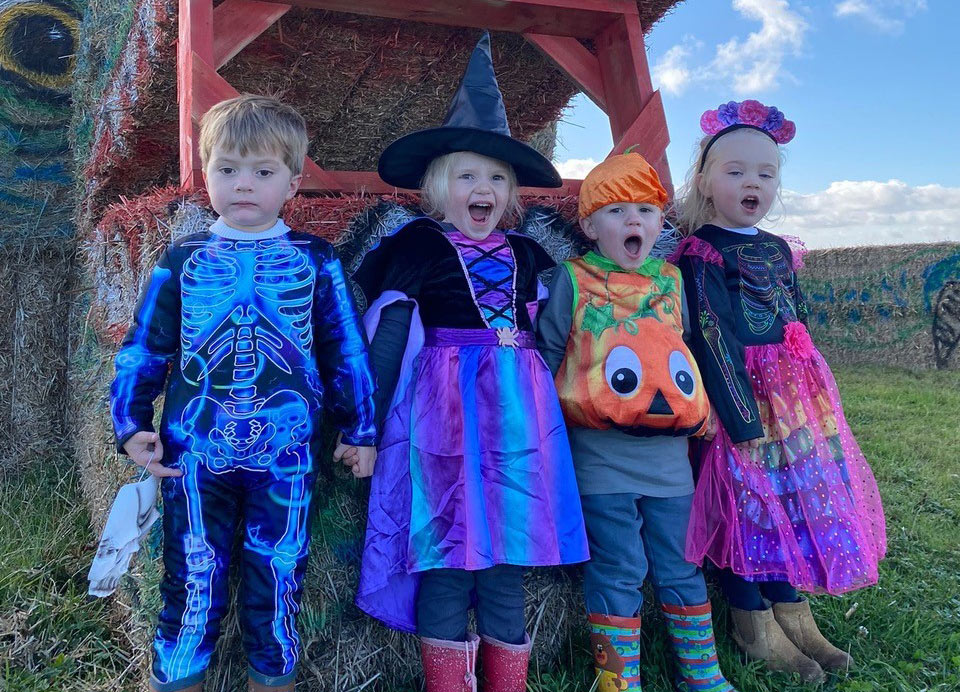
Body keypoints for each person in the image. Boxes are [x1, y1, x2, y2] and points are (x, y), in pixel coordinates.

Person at [110, 94, 377, 692]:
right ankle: (177, 677)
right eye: (227, 170)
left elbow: (346, 348)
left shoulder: (316, 259)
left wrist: (361, 428)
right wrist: (130, 422)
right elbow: (145, 346)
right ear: (206, 176)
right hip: (196, 451)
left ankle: (271, 678)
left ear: (293, 181)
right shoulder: (182, 259)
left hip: (287, 452)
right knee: (191, 575)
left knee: (280, 575)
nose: (244, 185)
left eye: (262, 172)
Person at [347, 33, 589, 692]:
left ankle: (508, 682)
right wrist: (363, 429)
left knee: (507, 558)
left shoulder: (531, 256)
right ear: (437, 187)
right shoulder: (418, 246)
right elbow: (392, 335)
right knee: (446, 556)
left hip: (518, 421)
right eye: (467, 175)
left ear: (511, 194)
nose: (482, 188)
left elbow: (561, 339)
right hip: (443, 418)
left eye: (496, 179)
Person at [673, 100, 887, 682]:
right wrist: (742, 420)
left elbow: (797, 318)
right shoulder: (703, 252)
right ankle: (751, 620)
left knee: (791, 500)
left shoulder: (775, 248)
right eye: (736, 170)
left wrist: (814, 387)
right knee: (749, 506)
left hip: (794, 399)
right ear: (705, 180)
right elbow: (711, 334)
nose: (753, 183)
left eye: (766, 174)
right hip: (744, 400)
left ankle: (793, 611)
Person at [537, 152, 737, 692]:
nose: (634, 221)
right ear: (588, 225)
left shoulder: (671, 282)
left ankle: (702, 674)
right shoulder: (572, 280)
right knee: (619, 566)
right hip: (600, 457)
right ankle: (617, 681)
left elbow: (685, 351)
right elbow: (552, 351)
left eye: (647, 210)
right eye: (618, 210)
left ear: (660, 224)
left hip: (669, 460)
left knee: (680, 563)